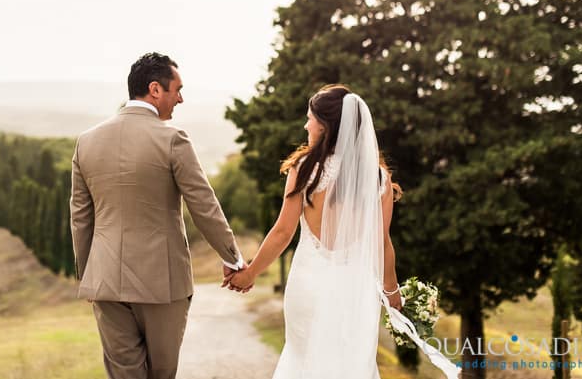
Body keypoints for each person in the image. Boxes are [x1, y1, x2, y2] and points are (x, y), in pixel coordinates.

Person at [70, 52, 246, 379]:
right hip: (161, 284)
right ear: (155, 89)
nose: (180, 98)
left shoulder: (86, 142)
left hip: (105, 281)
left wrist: (88, 275)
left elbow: (81, 218)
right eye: (176, 89)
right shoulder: (173, 139)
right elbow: (203, 204)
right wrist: (232, 258)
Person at [225, 84, 404, 378]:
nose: (305, 124)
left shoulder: (306, 168)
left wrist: (250, 273)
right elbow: (382, 243)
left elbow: (283, 232)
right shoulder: (378, 178)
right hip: (354, 292)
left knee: (303, 363)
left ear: (325, 126)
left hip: (308, 286)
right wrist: (391, 291)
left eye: (310, 118)